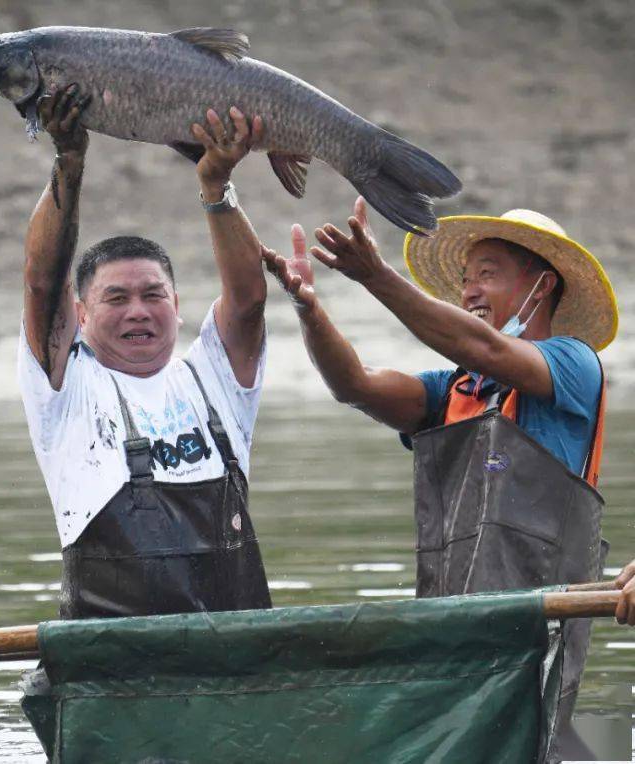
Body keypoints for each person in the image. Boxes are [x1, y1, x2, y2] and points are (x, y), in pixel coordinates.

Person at [264, 199, 618, 761]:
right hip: (450, 629)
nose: (470, 290)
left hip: (536, 633)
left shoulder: (575, 364)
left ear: (541, 285)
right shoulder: (453, 390)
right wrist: (309, 310)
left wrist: (376, 277)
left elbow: (484, 346)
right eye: (465, 278)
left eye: (488, 273)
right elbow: (354, 384)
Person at [18, 85, 274, 620]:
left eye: (152, 295)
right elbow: (43, 282)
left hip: (238, 662)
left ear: (176, 306)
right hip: (112, 671)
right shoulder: (66, 387)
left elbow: (249, 298)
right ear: (81, 315)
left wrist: (216, 184)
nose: (138, 311)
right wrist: (69, 161)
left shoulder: (213, 378)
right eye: (116, 298)